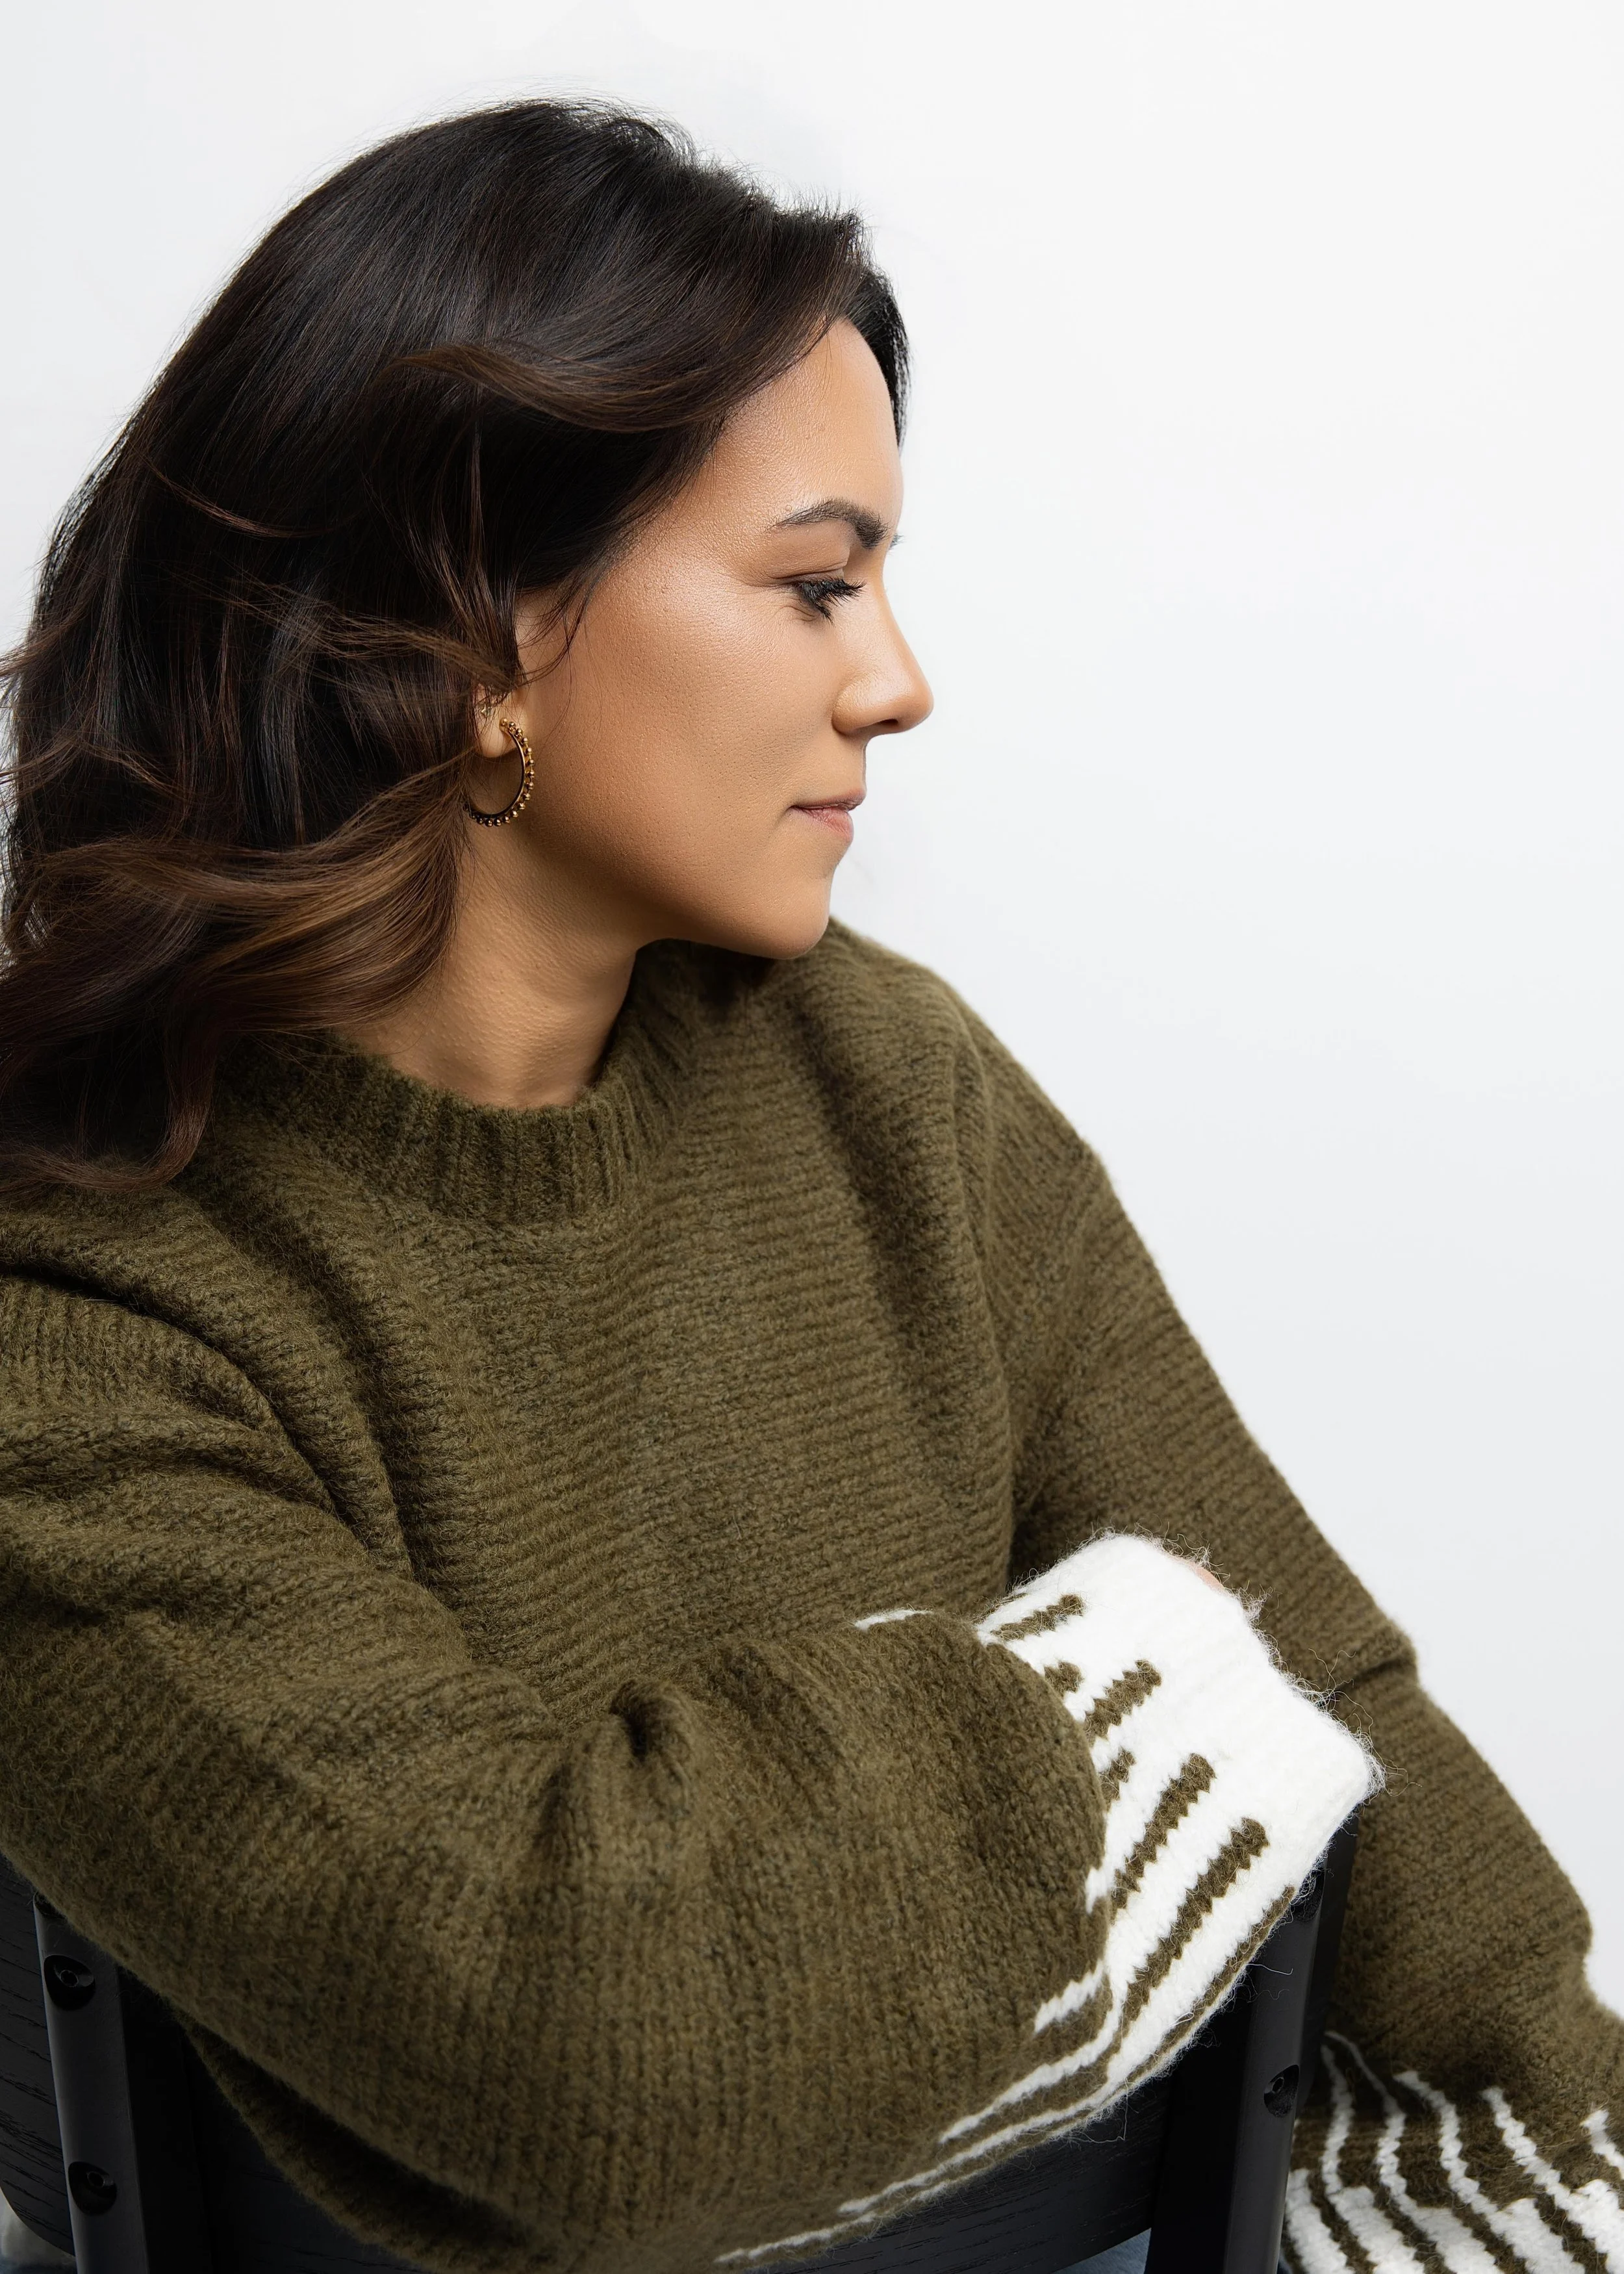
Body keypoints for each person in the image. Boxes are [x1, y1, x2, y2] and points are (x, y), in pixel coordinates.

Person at [0, 99, 1616, 2274]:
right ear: (477, 626)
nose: (896, 678)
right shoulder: (64, 1303)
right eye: (814, 579)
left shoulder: (889, 1083)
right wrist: (1151, 1682)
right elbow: (580, 2048)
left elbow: (1369, 1771)